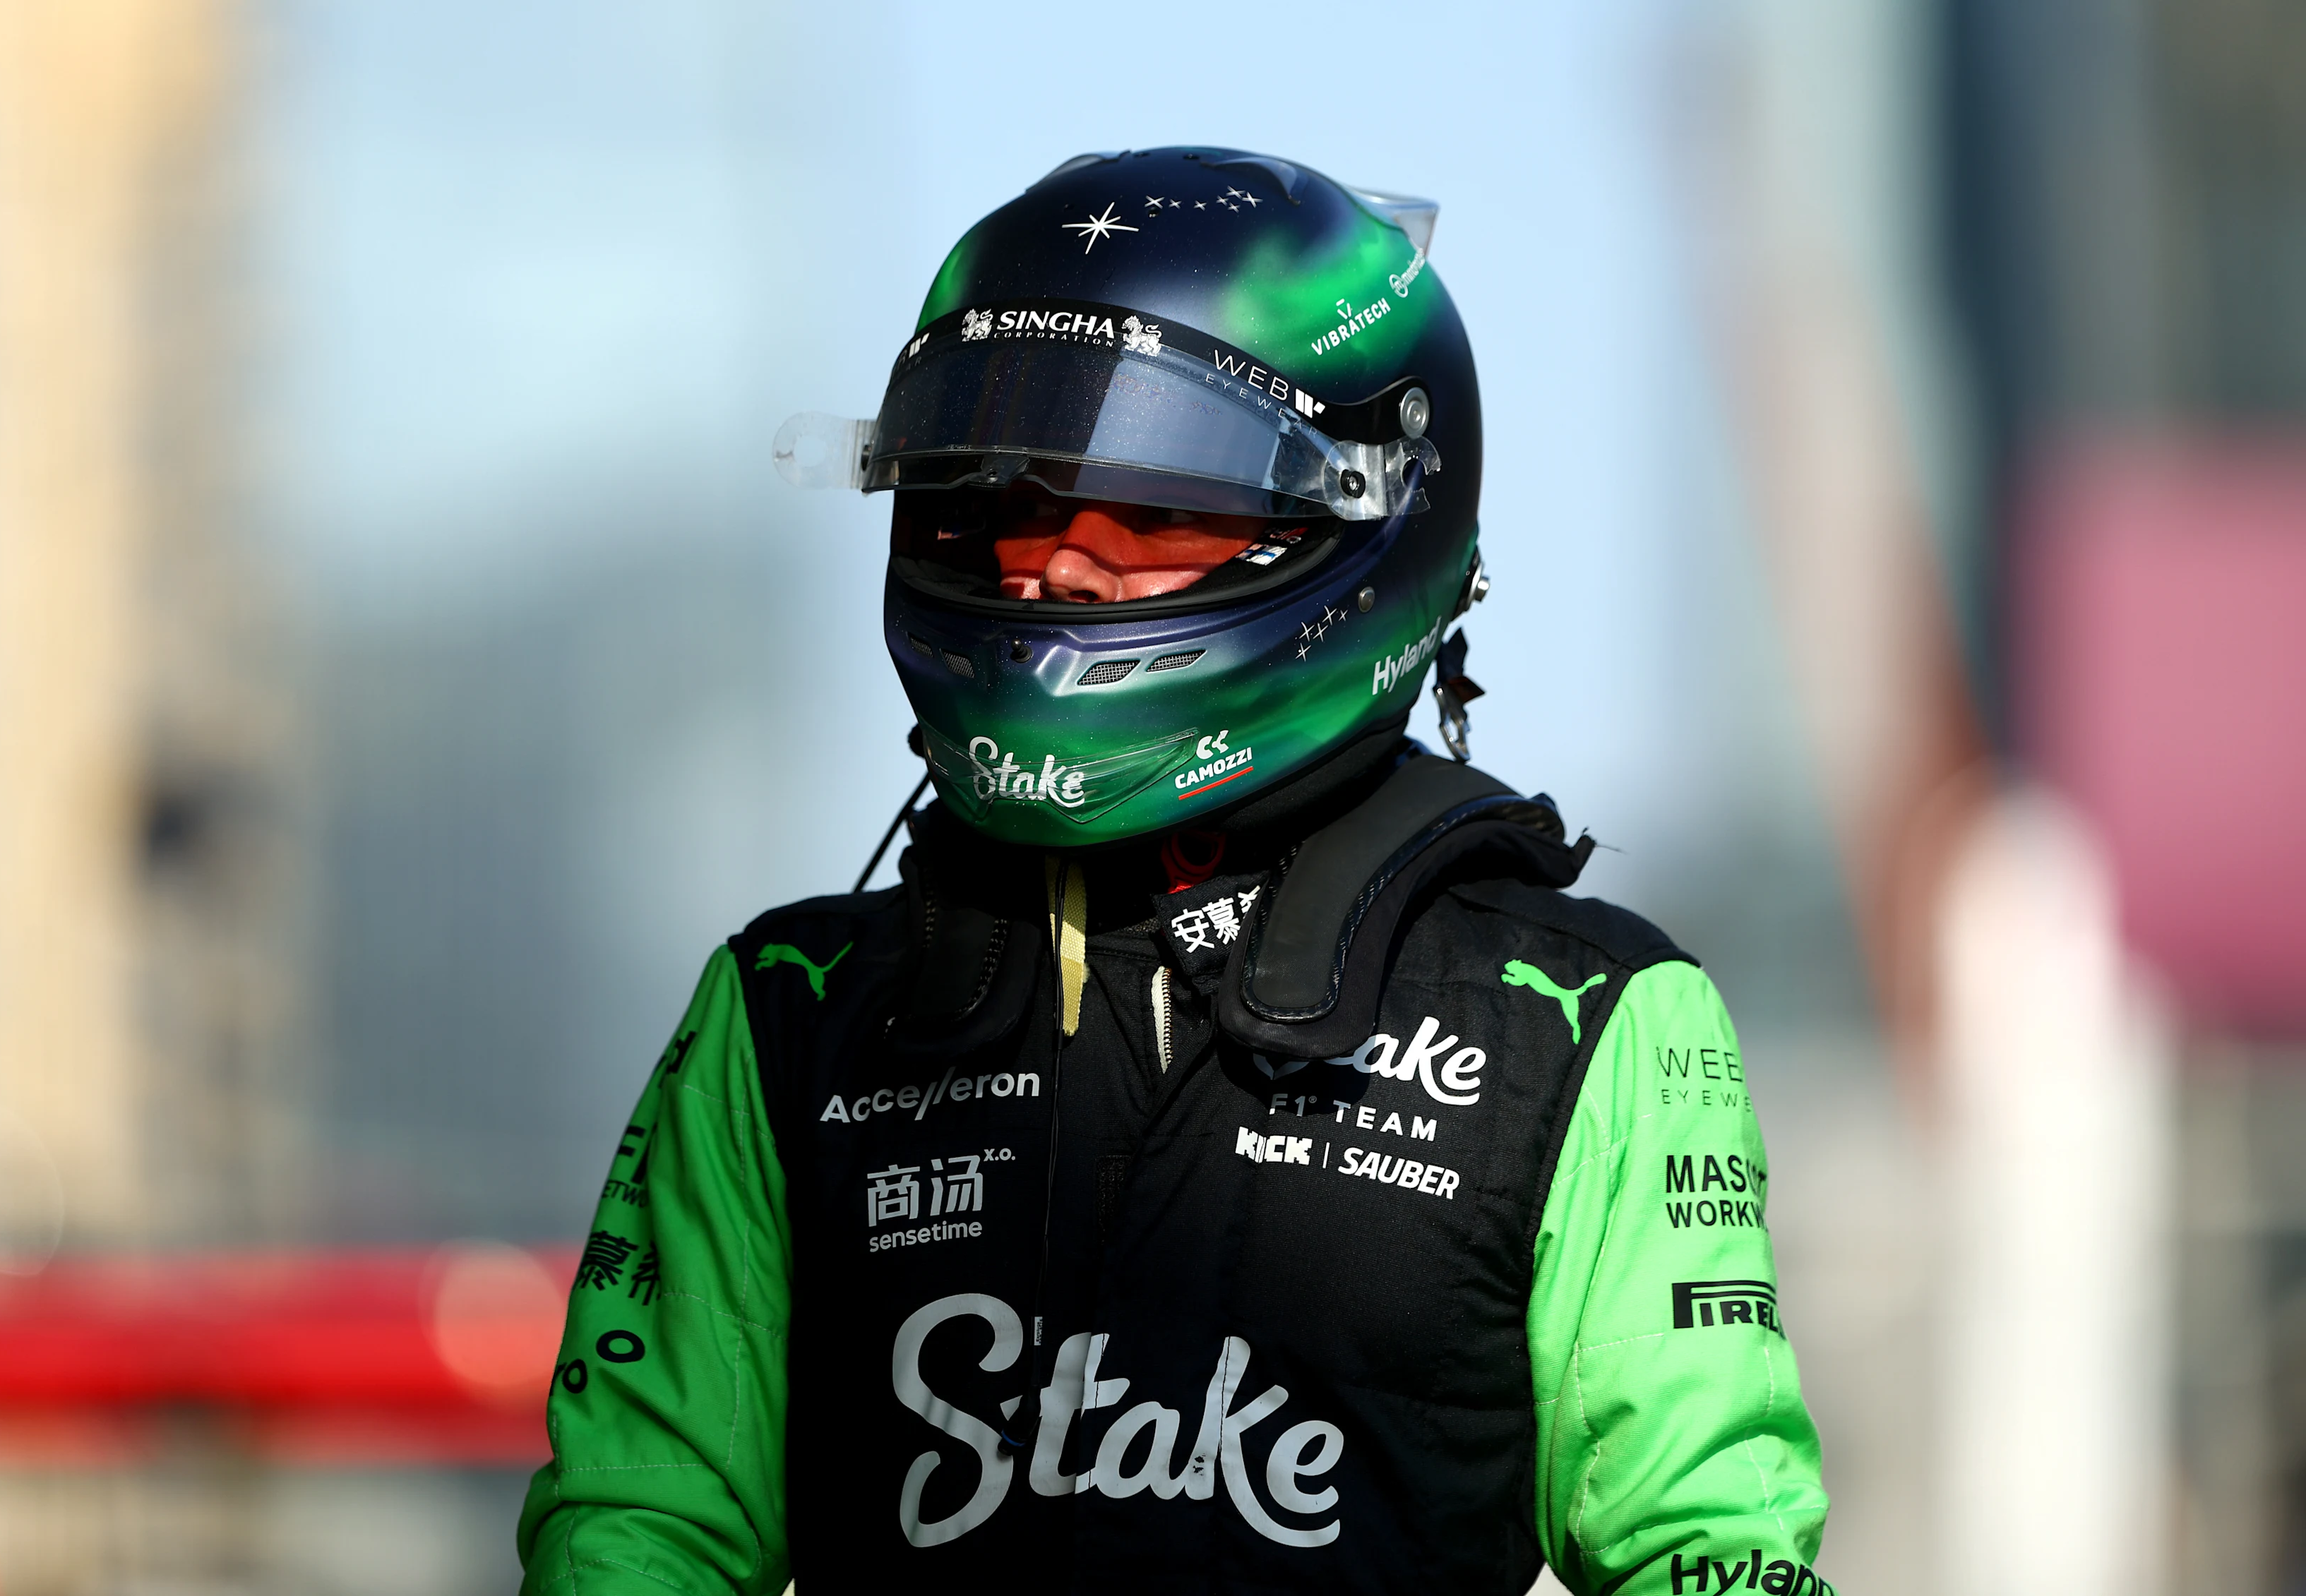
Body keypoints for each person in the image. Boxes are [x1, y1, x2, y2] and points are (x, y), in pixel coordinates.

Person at [516, 146, 1834, 1596]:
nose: (1056, 570)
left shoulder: (1579, 1014)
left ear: (1364, 522)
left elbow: (1708, 1550)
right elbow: (635, 1539)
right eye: (1002, 506)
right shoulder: (790, 1008)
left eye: (1147, 515)